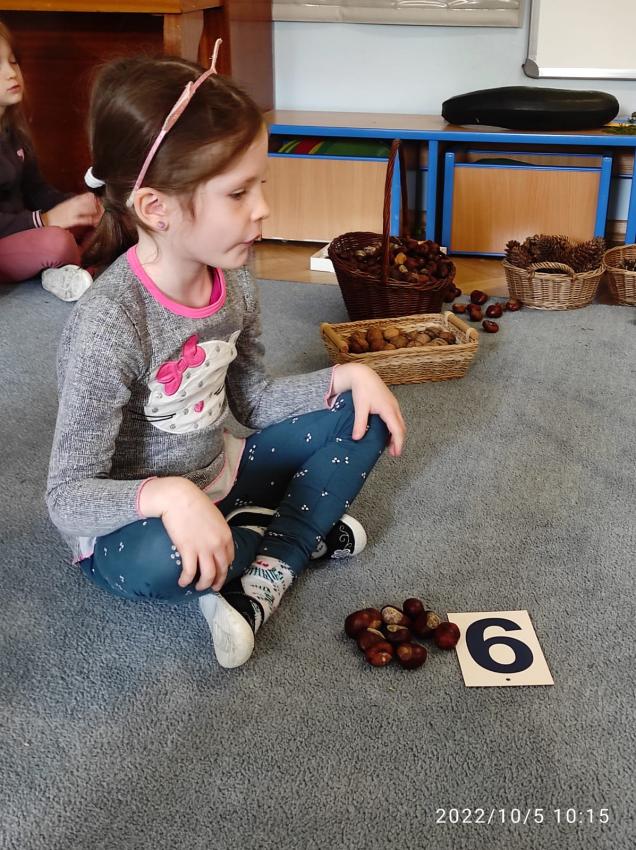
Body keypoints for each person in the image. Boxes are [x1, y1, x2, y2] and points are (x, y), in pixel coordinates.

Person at [46, 48, 406, 669]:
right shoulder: (108, 325)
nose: (262, 208)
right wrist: (170, 497)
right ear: (155, 208)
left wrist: (348, 374)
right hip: (136, 524)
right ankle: (293, 532)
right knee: (162, 562)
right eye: (238, 192)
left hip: (220, 473)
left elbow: (254, 401)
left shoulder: (233, 277)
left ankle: (269, 555)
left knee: (362, 413)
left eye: (259, 185)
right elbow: (66, 496)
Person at [0, 19, 101, 300]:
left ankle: (68, 268)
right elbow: (42, 220)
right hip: (11, 239)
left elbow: (38, 190)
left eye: (13, 61)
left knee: (104, 221)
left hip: (24, 233)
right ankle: (72, 264)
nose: (11, 73)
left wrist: (78, 207)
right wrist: (46, 220)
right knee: (56, 242)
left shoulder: (14, 132)